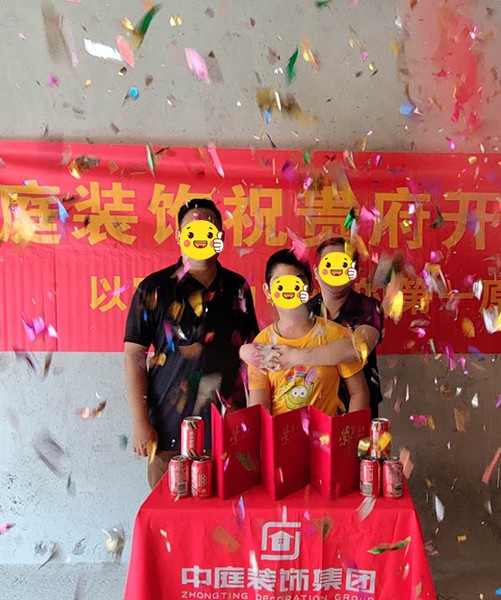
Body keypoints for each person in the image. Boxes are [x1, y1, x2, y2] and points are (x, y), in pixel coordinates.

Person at [124, 198, 258, 489]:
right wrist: (139, 421)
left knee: (229, 512)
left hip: (229, 429)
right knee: (172, 512)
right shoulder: (154, 287)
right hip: (169, 429)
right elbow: (134, 357)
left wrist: (256, 417)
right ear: (178, 236)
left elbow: (252, 356)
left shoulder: (238, 288)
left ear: (220, 238)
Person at [242, 238, 384, 418]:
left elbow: (355, 349)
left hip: (350, 418)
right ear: (316, 273)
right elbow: (259, 409)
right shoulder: (307, 308)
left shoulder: (367, 309)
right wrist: (245, 351)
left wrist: (294, 356)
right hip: (285, 431)